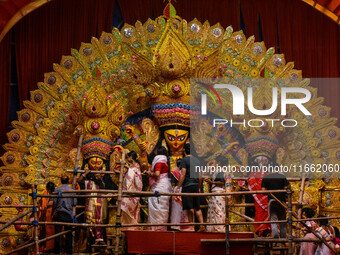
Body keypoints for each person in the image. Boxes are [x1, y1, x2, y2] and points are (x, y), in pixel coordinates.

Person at [77, 156, 116, 244]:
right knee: (90, 218)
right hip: (90, 201)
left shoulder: (104, 177)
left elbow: (110, 188)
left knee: (101, 218)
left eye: (99, 163)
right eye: (93, 163)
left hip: (101, 202)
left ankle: (100, 237)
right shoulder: (88, 176)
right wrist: (84, 174)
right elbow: (79, 182)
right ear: (87, 164)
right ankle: (91, 237)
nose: (96, 166)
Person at [177, 143, 205, 232]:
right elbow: (200, 175)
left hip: (187, 185)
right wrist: (199, 186)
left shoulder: (184, 161)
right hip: (196, 185)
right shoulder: (197, 161)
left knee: (189, 208)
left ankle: (191, 227)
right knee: (197, 207)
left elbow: (183, 174)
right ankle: (202, 225)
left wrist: (178, 187)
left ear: (185, 150)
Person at [147, 146, 172, 231]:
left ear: (157, 152)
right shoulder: (165, 161)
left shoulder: (158, 161)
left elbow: (157, 174)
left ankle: (157, 228)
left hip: (160, 185)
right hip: (165, 185)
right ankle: (162, 227)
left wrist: (149, 173)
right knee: (162, 207)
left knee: (157, 207)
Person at [261, 169, 289, 239]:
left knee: (273, 220)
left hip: (272, 200)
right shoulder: (282, 177)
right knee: (282, 221)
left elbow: (263, 191)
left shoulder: (266, 178)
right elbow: (287, 188)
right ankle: (283, 240)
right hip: (281, 201)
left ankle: (276, 239)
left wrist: (270, 193)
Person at [53, 175, 77, 254]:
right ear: (68, 181)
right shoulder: (72, 191)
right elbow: (75, 203)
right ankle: (69, 252)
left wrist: (54, 212)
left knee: (57, 234)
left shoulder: (57, 190)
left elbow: (54, 203)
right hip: (68, 215)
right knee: (68, 234)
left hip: (59, 214)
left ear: (61, 181)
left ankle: (56, 251)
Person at [247, 156, 271, 237]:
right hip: (262, 198)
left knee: (261, 214)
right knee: (261, 214)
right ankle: (263, 231)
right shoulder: (266, 174)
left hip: (260, 198)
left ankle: (262, 231)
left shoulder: (252, 174)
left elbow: (249, 183)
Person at [121, 151, 143, 230]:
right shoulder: (132, 167)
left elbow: (134, 177)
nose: (127, 159)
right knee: (127, 210)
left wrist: (128, 168)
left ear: (131, 157)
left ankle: (132, 228)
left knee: (130, 209)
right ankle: (128, 228)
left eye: (128, 157)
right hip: (130, 192)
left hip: (132, 192)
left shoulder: (135, 167)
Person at [206, 156, 228, 232]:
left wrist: (212, 182)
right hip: (216, 193)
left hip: (218, 193)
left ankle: (220, 230)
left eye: (216, 162)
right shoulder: (220, 171)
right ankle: (213, 229)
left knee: (218, 211)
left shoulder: (221, 171)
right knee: (215, 211)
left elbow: (222, 182)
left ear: (219, 163)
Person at [170, 159, 189, 231]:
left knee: (176, 209)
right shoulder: (186, 172)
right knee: (184, 209)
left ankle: (176, 225)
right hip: (185, 189)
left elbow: (173, 183)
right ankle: (185, 226)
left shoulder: (174, 172)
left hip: (177, 190)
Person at [39, 181, 55, 252]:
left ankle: (50, 247)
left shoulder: (55, 194)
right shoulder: (45, 194)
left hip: (52, 216)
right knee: (44, 232)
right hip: (44, 215)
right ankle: (44, 247)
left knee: (51, 232)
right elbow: (41, 205)